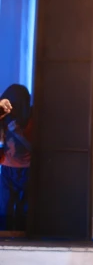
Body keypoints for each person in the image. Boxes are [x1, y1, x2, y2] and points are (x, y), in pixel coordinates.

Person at [0, 85, 32, 232]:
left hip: (26, 169)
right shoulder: (4, 118)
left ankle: (21, 237)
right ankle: (5, 236)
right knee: (4, 206)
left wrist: (18, 133)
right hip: (7, 167)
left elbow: (36, 148)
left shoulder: (29, 119)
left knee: (23, 208)